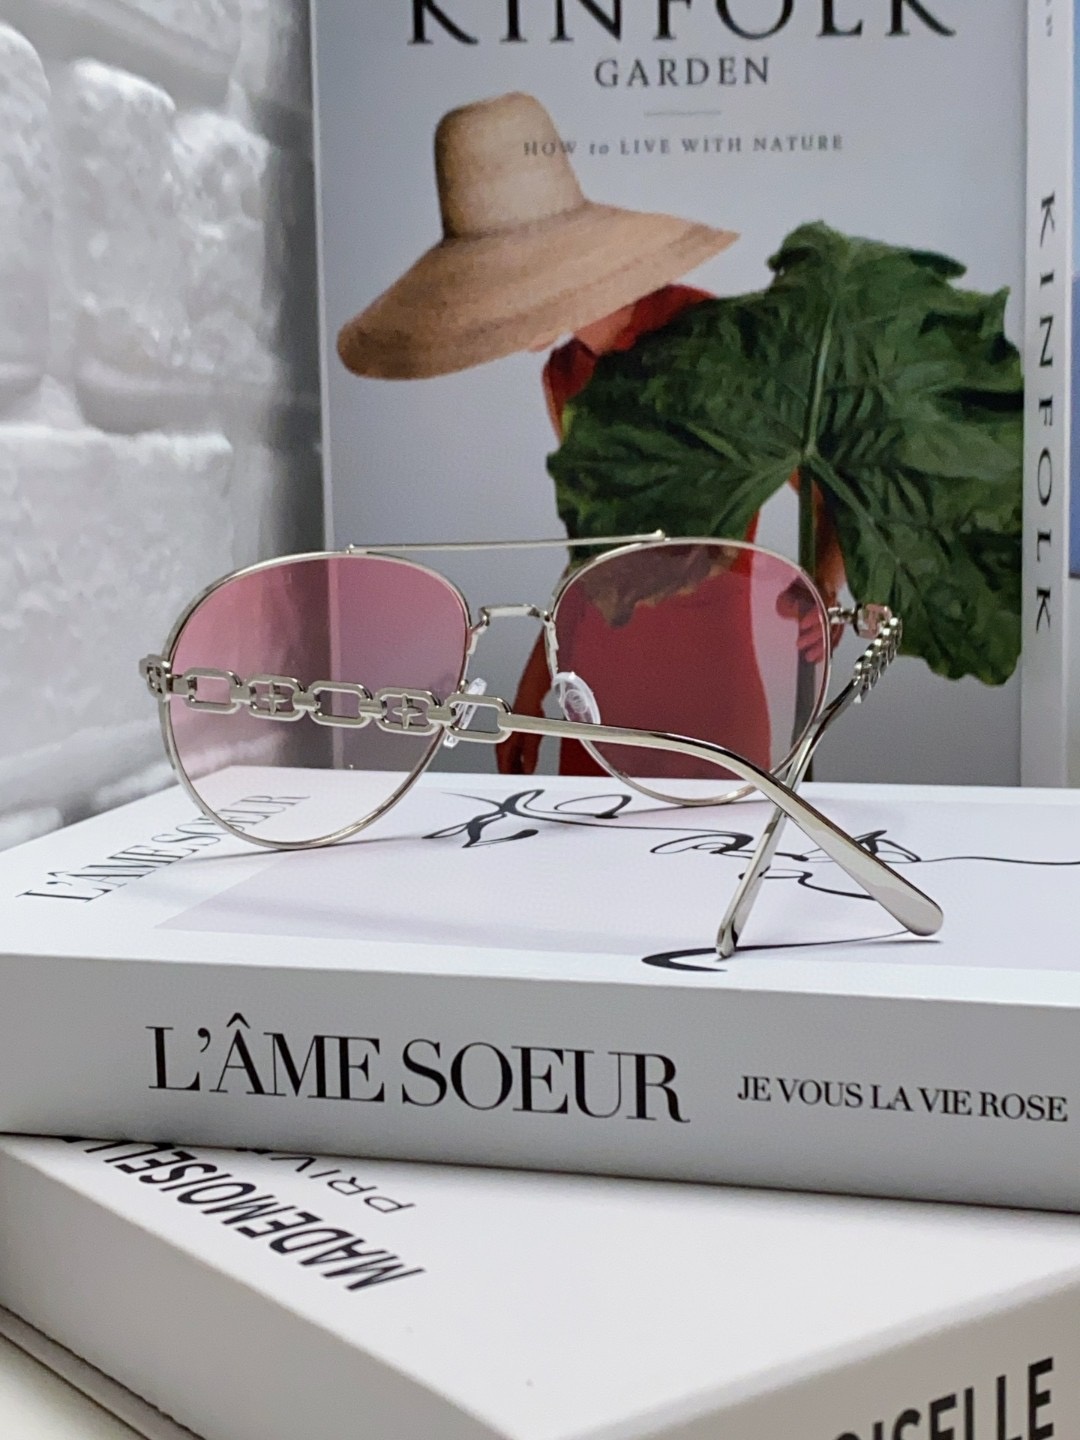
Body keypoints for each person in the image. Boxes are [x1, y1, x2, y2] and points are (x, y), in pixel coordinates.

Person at [336, 91, 844, 778]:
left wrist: (823, 589)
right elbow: (591, 557)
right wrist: (534, 690)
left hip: (713, 687)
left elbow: (829, 481)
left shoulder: (721, 346)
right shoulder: (564, 374)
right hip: (592, 697)